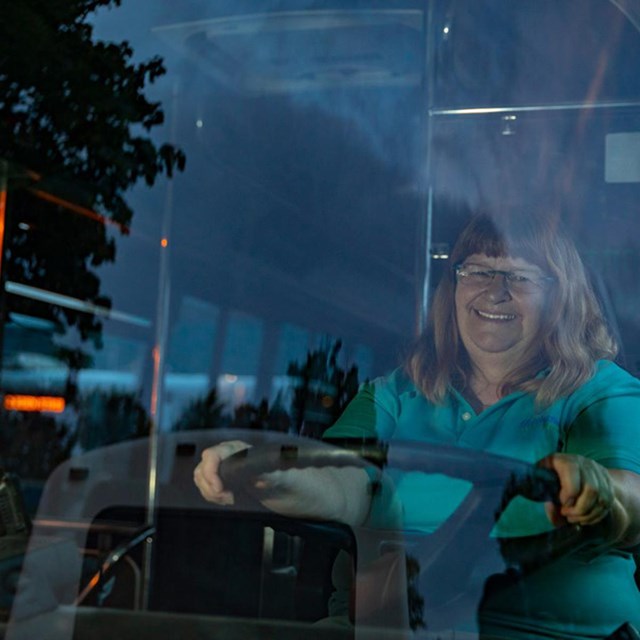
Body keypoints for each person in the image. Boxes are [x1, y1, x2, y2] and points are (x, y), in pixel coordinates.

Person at [194, 213, 640, 638]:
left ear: (561, 298)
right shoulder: (397, 394)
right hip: (388, 628)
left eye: (521, 277)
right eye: (478, 271)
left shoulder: (598, 391)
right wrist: (266, 471)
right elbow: (345, 479)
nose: (495, 292)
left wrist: (598, 490)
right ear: (454, 286)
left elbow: (631, 497)